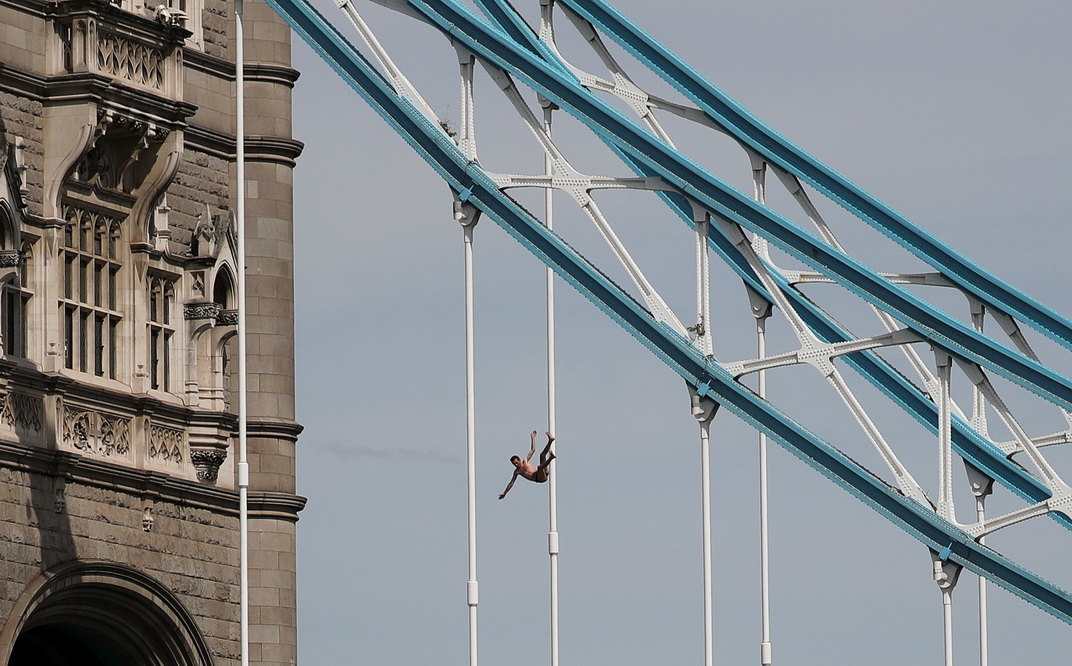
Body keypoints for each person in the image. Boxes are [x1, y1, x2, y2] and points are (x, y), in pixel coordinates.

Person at [498, 431, 555, 499]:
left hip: (543, 472)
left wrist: (533, 438)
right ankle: (551, 458)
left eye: (517, 463)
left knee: (542, 455)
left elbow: (533, 449)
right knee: (539, 467)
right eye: (514, 464)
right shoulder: (517, 472)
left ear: (519, 460)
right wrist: (505, 493)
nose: (516, 465)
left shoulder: (525, 461)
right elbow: (511, 483)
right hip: (539, 478)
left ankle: (550, 440)